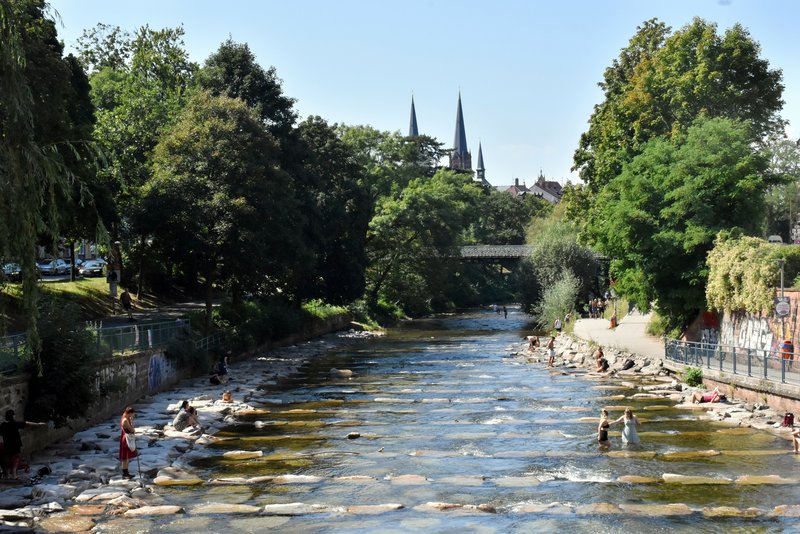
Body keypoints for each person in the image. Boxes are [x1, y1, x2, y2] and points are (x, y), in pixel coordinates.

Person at [0, 410, 45, 479]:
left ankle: (7, 474)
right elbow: (27, 424)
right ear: (13, 416)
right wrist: (38, 424)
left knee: (7, 458)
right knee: (16, 457)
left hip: (7, 444)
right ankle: (14, 473)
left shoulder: (3, 425)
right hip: (15, 444)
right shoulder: (14, 423)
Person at [119, 407, 138, 479]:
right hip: (126, 439)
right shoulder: (125, 421)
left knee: (126, 457)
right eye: (132, 414)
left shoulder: (124, 417)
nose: (132, 415)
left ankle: (126, 473)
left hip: (125, 438)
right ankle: (125, 473)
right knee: (125, 457)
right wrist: (132, 421)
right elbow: (132, 430)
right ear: (130, 413)